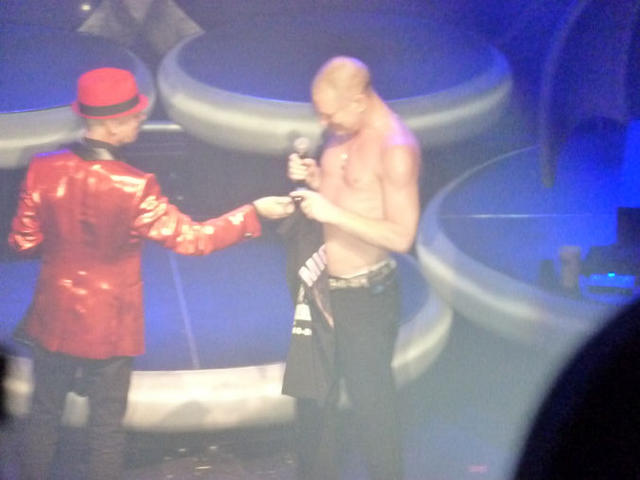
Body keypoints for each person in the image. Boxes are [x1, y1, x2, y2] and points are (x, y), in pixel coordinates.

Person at [8, 67, 294, 480]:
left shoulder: (43, 169)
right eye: (135, 116)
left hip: (53, 315)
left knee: (43, 414)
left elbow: (23, 242)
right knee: (106, 428)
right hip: (109, 323)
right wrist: (253, 213)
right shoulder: (135, 187)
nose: (142, 121)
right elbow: (193, 240)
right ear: (112, 124)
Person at [287, 56, 421, 480]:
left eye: (329, 114)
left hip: (365, 296)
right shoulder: (341, 133)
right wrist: (315, 179)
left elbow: (402, 235)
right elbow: (347, 194)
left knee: (372, 410)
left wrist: (331, 212)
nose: (322, 122)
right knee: (313, 405)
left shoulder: (396, 149)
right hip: (320, 288)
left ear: (360, 101)